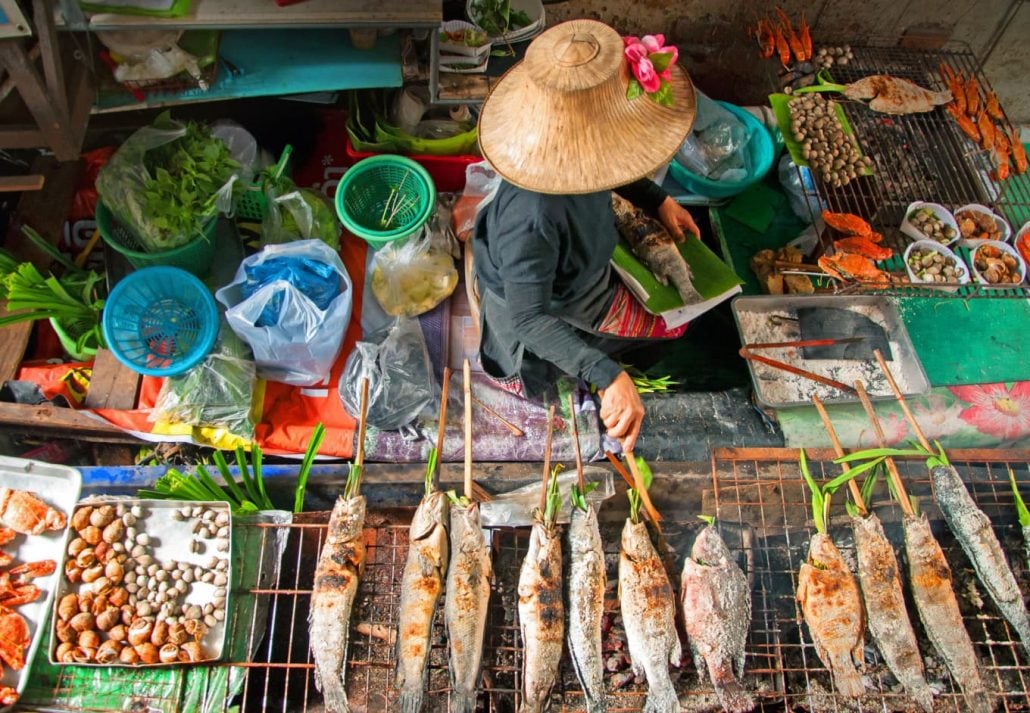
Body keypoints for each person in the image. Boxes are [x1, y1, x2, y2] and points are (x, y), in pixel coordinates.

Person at [472, 19, 699, 452]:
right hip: (543, 303)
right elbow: (529, 318)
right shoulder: (532, 218)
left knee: (680, 314)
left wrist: (658, 200)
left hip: (584, 261)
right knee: (661, 334)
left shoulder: (583, 162)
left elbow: (614, 166)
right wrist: (606, 373)